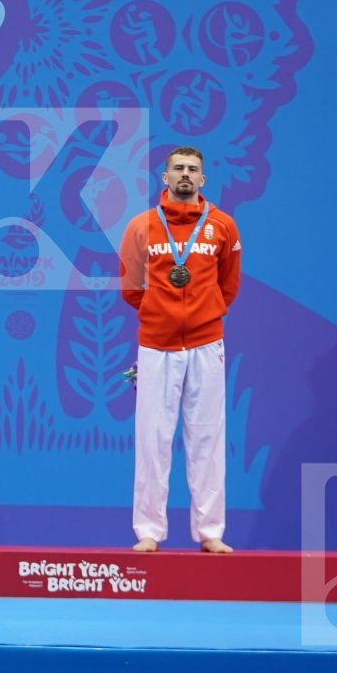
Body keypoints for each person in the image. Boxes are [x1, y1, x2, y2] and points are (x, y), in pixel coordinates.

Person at [118, 145, 242, 553]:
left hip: (207, 343)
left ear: (203, 180)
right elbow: (131, 286)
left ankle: (211, 533)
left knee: (207, 437)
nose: (185, 175)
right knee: (152, 438)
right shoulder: (142, 227)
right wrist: (159, 314)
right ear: (164, 178)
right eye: (178, 169)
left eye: (193, 169)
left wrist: (206, 315)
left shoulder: (222, 225)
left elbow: (229, 284)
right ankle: (149, 531)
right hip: (156, 343)